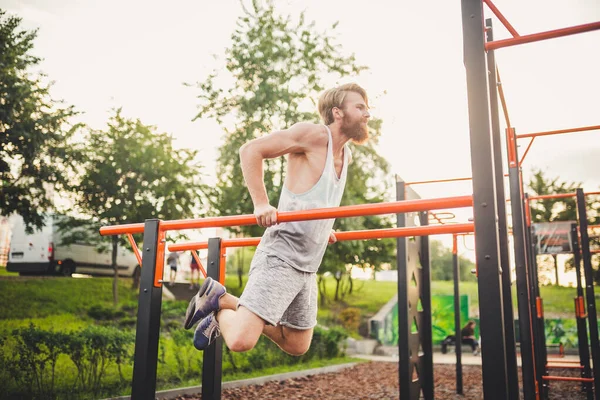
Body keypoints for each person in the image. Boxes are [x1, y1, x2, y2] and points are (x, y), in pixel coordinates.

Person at [184, 83, 371, 354]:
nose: (367, 114)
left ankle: (220, 299)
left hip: (308, 264)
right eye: (360, 107)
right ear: (338, 112)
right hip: (282, 255)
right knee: (240, 341)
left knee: (296, 344)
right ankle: (220, 307)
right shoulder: (314, 135)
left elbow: (315, 196)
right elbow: (250, 150)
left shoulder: (346, 155)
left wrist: (322, 228)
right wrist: (261, 203)